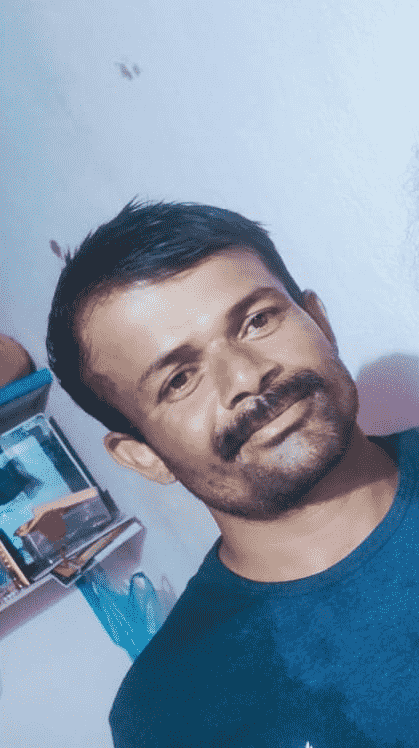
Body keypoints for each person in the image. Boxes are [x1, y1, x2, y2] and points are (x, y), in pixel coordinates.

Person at [46, 198, 417, 748]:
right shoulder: (167, 714)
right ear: (143, 456)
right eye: (179, 379)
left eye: (257, 321)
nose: (245, 376)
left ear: (318, 321)